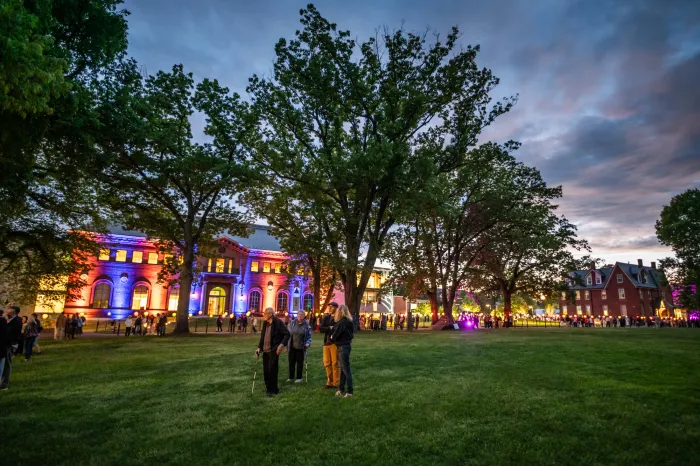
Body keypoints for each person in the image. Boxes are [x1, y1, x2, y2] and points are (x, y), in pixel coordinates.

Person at [255, 307, 290, 397]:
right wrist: (259, 347)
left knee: (272, 370)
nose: (264, 315)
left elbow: (287, 334)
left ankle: (274, 389)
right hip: (265, 350)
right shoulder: (265, 323)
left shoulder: (278, 322)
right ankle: (268, 388)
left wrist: (281, 345)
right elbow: (263, 336)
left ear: (270, 314)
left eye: (265, 313)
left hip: (274, 350)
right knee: (266, 370)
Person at [330, 304, 355, 398]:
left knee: (346, 370)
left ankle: (350, 391)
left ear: (339, 312)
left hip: (342, 347)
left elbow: (334, 335)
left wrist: (332, 336)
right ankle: (341, 389)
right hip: (347, 346)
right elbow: (352, 334)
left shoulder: (341, 323)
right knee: (344, 370)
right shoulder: (350, 321)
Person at [1, 305, 23, 390]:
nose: (7, 313)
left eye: (10, 312)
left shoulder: (17, 321)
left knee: (6, 364)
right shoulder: (10, 320)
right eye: (8, 311)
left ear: (15, 313)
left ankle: (4, 385)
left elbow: (8, 333)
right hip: (6, 344)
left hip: (10, 345)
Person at [286, 310, 312, 383]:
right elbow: (288, 334)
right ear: (297, 315)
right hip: (292, 346)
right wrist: (286, 346)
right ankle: (291, 377)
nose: (300, 316)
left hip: (301, 346)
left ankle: (299, 377)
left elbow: (309, 336)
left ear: (304, 316)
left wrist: (308, 343)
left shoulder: (306, 324)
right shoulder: (292, 323)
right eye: (299, 314)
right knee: (291, 362)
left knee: (300, 362)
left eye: (302, 314)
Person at [319, 302, 340, 389]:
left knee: (335, 363)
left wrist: (330, 329)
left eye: (331, 307)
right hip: (326, 343)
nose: (330, 308)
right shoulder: (326, 317)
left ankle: (336, 382)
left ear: (335, 307)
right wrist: (329, 328)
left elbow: (337, 329)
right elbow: (321, 329)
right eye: (329, 306)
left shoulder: (338, 318)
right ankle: (329, 381)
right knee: (327, 363)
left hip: (334, 343)